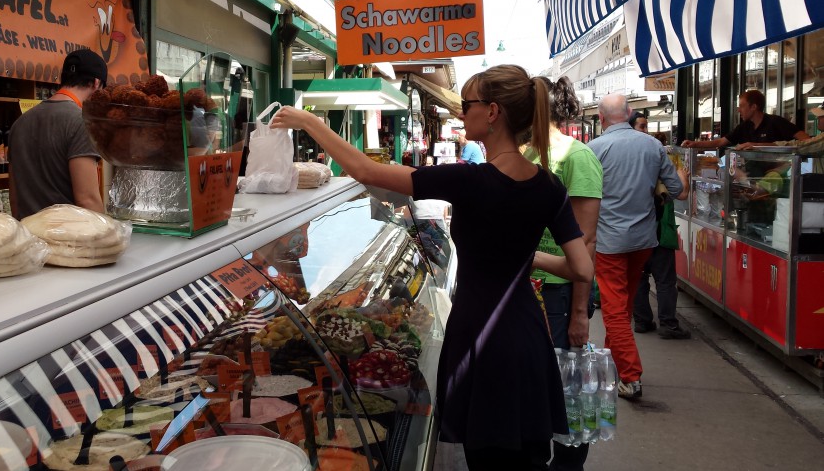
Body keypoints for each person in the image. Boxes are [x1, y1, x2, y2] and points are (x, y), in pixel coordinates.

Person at [271, 64, 593, 470]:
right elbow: (581, 268)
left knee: (489, 459)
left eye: (468, 105)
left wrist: (308, 121)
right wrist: (518, 256)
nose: (462, 113)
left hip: (482, 340)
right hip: (529, 340)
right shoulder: (549, 185)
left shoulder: (470, 180)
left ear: (492, 112)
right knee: (526, 458)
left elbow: (367, 171)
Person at [527, 76, 602, 471]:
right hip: (529, 292)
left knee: (565, 389)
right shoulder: (524, 154)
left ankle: (568, 465)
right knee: (538, 387)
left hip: (558, 295)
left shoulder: (577, 157)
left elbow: (585, 243)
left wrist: (578, 314)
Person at [587, 93, 684, 399]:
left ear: (601, 119)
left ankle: (630, 376)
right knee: (623, 305)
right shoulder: (653, 145)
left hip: (609, 241)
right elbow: (678, 188)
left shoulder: (594, 149)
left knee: (615, 310)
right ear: (628, 113)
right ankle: (612, 365)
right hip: (643, 240)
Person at [9, 49, 107, 219]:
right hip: (67, 240)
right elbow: (87, 200)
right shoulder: (81, 122)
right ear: (96, 83)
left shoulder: (19, 124)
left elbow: (15, 200)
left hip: (29, 237)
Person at [633, 131, 692, 339]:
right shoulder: (663, 168)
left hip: (637, 233)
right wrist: (683, 177)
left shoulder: (634, 169)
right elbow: (681, 193)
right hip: (659, 232)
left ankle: (642, 320)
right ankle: (668, 323)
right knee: (665, 280)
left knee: (639, 278)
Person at [681, 89, 809, 148]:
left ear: (754, 107)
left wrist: (757, 145)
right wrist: (695, 144)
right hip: (752, 179)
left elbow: (806, 140)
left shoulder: (776, 122)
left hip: (777, 179)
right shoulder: (744, 126)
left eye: (741, 106)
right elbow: (721, 142)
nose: (738, 110)